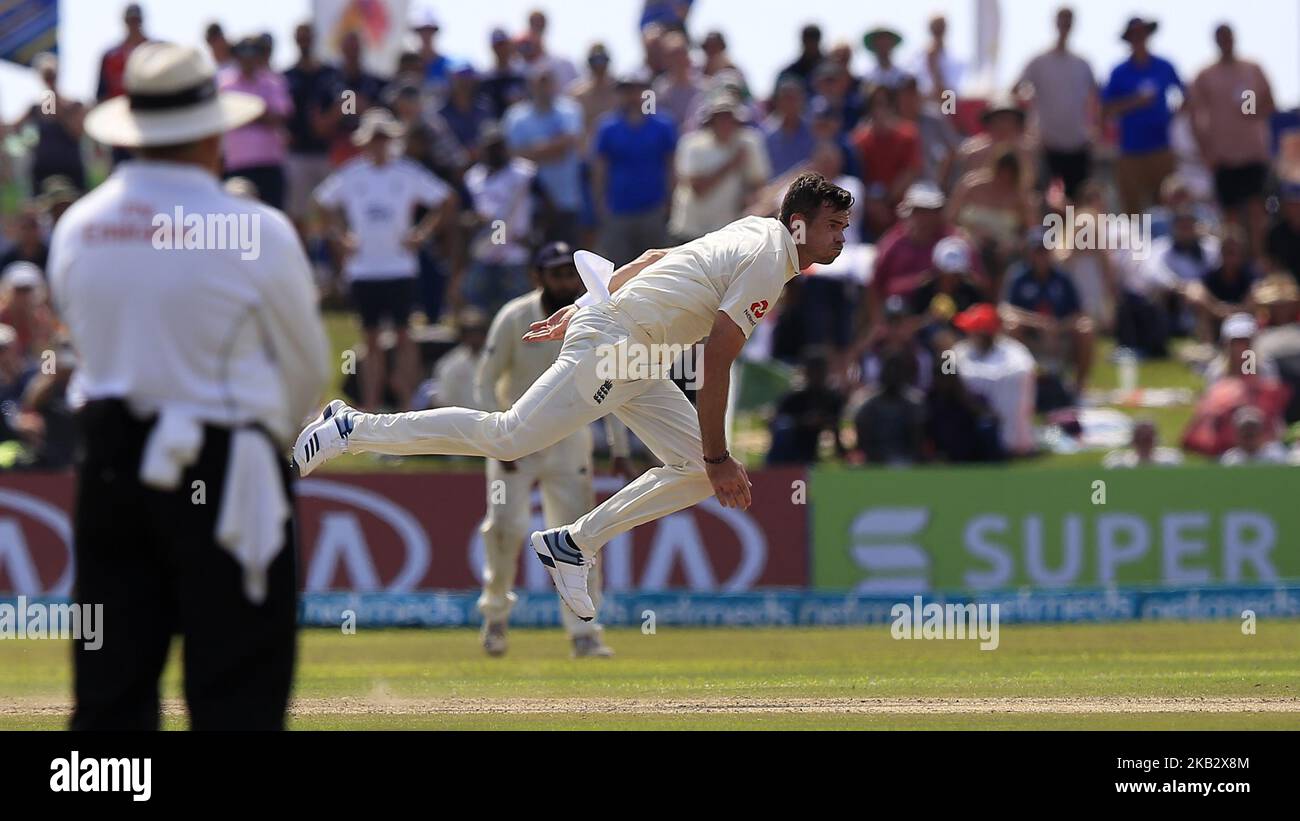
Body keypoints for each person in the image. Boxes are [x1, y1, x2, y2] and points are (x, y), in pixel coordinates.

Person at [294, 172, 852, 620]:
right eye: (833, 225)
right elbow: (716, 358)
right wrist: (719, 455)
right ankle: (352, 427)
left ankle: (573, 543)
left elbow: (657, 257)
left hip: (639, 350)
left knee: (692, 471)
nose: (841, 238)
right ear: (798, 225)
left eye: (845, 226)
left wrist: (588, 303)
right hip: (621, 345)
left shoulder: (751, 231)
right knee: (509, 435)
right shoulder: (769, 257)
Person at [51, 43, 330, 730]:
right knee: (237, 692)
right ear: (213, 132)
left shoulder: (79, 227)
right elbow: (305, 371)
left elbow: (87, 346)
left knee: (110, 695)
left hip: (111, 465)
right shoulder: (258, 230)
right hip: (226, 464)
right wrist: (267, 441)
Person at [475, 243, 630, 657]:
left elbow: (612, 379)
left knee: (579, 540)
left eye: (569, 273)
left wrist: (618, 443)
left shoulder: (596, 313)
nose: (565, 281)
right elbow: (486, 382)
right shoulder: (513, 316)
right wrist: (499, 440)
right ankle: (495, 621)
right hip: (517, 441)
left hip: (569, 441)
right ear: (537, 276)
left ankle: (584, 633)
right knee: (503, 530)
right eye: (556, 273)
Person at [314, 108, 455, 411]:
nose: (379, 146)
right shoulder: (352, 174)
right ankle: (371, 405)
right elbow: (322, 202)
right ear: (365, 142)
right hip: (364, 269)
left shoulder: (406, 172)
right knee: (371, 340)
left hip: (399, 267)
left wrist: (421, 234)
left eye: (384, 139)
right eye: (374, 140)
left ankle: (407, 405)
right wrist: (341, 237)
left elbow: (445, 199)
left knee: (404, 336)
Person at [1189, 24, 1274, 254]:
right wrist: (1206, 153)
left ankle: (1259, 259)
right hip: (1223, 156)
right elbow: (1194, 115)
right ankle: (1234, 263)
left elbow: (1269, 102)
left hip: (1253, 153)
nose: (1226, 41)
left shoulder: (1252, 69)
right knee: (1230, 216)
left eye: (1228, 37)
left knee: (1258, 211)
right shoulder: (1204, 75)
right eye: (1221, 38)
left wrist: (1253, 111)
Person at [593, 71, 677, 266]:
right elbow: (600, 168)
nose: (632, 96)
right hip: (619, 208)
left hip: (654, 207)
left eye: (636, 90)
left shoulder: (663, 124)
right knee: (619, 266)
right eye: (626, 91)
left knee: (657, 266)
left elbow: (671, 165)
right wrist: (599, 200)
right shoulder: (607, 126)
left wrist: (671, 199)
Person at [1102, 17, 1184, 213]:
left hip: (1161, 149)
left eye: (1142, 33)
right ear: (1129, 39)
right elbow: (1106, 109)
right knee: (1132, 212)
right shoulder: (1119, 72)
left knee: (1166, 209)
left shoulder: (1164, 66)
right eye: (1134, 34)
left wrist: (1173, 116)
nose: (1139, 38)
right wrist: (1135, 102)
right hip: (1130, 151)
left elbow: (1186, 94)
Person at [1014, 6, 1097, 201]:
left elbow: (1094, 99)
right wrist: (1026, 129)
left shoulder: (1082, 64)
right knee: (1043, 200)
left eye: (1069, 21)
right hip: (1046, 144)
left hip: (1078, 143)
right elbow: (1015, 90)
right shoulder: (1038, 61)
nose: (1065, 25)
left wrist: (1094, 130)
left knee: (1079, 201)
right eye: (1062, 20)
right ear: (1055, 23)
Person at [669, 95, 770, 243]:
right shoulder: (692, 145)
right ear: (711, 121)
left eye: (730, 118)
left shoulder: (750, 142)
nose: (725, 124)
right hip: (692, 231)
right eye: (720, 118)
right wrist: (731, 163)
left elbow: (759, 183)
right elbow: (699, 189)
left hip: (730, 233)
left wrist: (749, 199)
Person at [503, 65, 585, 243]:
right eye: (540, 83)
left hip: (566, 199)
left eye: (548, 82)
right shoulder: (516, 116)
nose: (544, 88)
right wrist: (550, 146)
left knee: (568, 261)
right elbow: (512, 154)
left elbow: (565, 147)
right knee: (536, 262)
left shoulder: (570, 110)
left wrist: (531, 151)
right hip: (530, 204)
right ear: (531, 85)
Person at [462, 125, 537, 316]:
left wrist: (536, 238)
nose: (494, 152)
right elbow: (466, 212)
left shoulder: (524, 173)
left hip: (515, 250)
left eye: (498, 147)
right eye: (489, 147)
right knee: (479, 309)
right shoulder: (473, 177)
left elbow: (547, 208)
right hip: (484, 250)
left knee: (517, 311)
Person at [951, 303, 1037, 456]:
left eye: (974, 330)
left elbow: (1020, 371)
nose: (969, 333)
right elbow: (945, 373)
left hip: (1008, 435)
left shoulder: (1015, 354)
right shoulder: (960, 349)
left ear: (986, 333)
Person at [218, 37, 293, 209]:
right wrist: (260, 112)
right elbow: (226, 119)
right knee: (238, 225)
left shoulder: (274, 82)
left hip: (270, 164)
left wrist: (245, 114)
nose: (248, 59)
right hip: (237, 165)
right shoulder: (224, 84)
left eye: (252, 54)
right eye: (243, 55)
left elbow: (280, 116)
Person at [283, 22, 339, 231]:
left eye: (308, 36)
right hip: (297, 154)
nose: (305, 41)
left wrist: (332, 118)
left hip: (327, 153)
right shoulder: (287, 76)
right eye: (301, 37)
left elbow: (349, 98)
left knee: (332, 212)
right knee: (298, 214)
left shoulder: (331, 73)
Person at [18, 53, 87, 192]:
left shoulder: (74, 105)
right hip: (42, 174)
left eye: (52, 76)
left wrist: (57, 104)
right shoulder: (34, 108)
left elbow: (77, 133)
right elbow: (14, 129)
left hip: (71, 172)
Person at [1102, 418, 1183, 467]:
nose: (1144, 443)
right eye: (1141, 439)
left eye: (1147, 439)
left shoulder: (1170, 462)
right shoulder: (1117, 463)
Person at [1220, 406, 1288, 465]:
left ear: (1262, 432)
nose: (1249, 432)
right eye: (1245, 434)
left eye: (1253, 430)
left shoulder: (1276, 455)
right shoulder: (1230, 460)